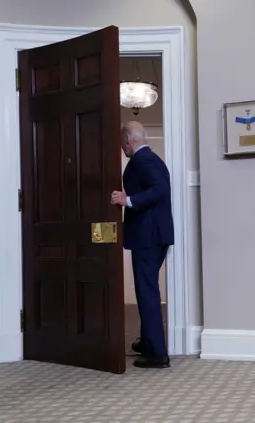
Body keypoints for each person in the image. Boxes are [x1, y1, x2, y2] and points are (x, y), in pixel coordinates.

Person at [111, 121, 174, 369]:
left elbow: (160, 190)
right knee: (147, 289)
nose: (122, 148)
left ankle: (157, 353)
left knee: (146, 291)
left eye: (121, 143)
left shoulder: (142, 160)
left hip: (148, 236)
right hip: (154, 235)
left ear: (128, 139)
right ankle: (149, 342)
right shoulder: (152, 158)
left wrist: (128, 200)